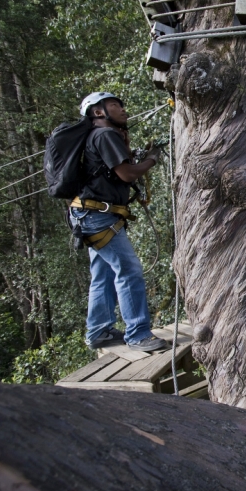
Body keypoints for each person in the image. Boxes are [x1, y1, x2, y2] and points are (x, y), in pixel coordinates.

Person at [69, 92, 168, 352]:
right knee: (129, 270)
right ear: (98, 112)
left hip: (91, 214)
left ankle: (98, 331)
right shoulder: (104, 135)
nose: (122, 110)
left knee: (102, 275)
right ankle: (138, 335)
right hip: (98, 216)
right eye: (115, 105)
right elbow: (126, 174)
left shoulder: (103, 136)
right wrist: (152, 159)